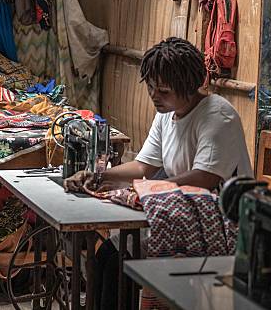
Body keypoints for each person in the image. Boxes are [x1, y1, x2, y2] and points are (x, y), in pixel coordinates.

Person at [64, 37, 253, 309]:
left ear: (189, 86)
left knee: (121, 264)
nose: (154, 96)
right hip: (183, 212)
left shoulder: (217, 116)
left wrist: (146, 189)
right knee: (106, 254)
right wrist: (98, 175)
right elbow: (144, 166)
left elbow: (204, 178)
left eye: (163, 91)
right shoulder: (167, 112)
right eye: (151, 88)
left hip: (220, 224)